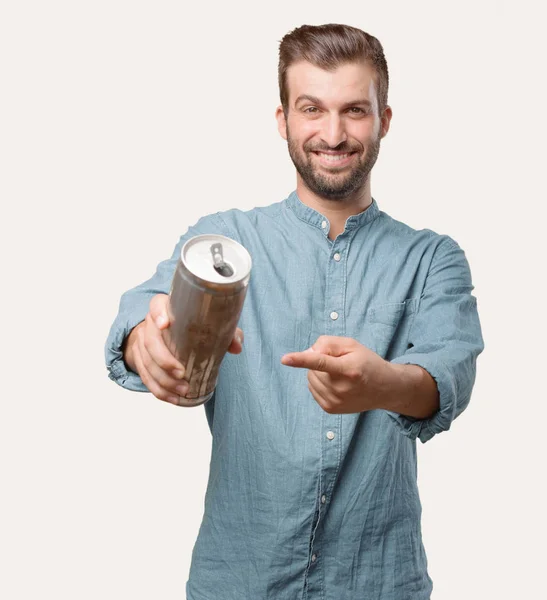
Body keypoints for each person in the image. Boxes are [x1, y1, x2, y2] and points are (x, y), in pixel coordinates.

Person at [105, 23, 484, 600]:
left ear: (384, 119)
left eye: (355, 110)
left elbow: (448, 376)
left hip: (379, 583)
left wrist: (381, 383)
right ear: (283, 121)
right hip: (237, 582)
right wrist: (146, 341)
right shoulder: (226, 239)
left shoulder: (432, 257)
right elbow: (147, 307)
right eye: (312, 109)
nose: (332, 134)